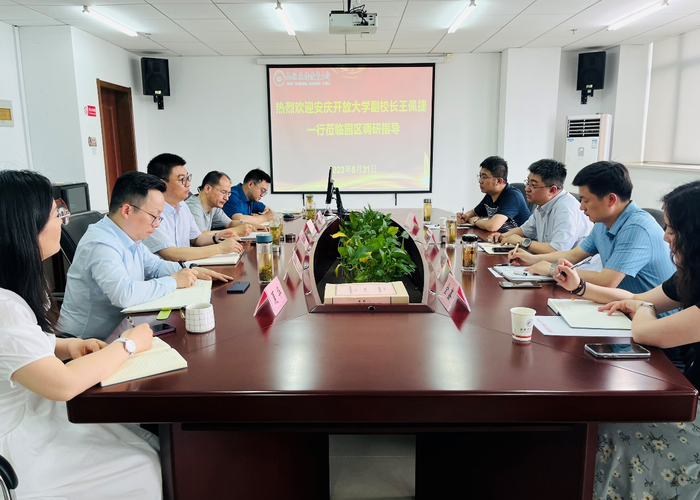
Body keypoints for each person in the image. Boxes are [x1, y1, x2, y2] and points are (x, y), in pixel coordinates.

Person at [0, 169, 162, 499]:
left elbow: (19, 344)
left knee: (144, 442)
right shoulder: (4, 304)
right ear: (24, 226)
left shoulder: (15, 289)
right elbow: (62, 384)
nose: (63, 222)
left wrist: (67, 345)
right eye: (55, 214)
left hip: (38, 410)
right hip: (22, 442)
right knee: (145, 463)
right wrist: (129, 344)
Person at [551, 180, 700, 500]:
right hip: (687, 390)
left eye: (672, 229)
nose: (665, 237)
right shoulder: (692, 272)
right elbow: (637, 298)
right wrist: (579, 287)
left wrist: (643, 309)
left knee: (600, 433)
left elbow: (646, 329)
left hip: (694, 411)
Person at [58, 172, 231, 341]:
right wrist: (173, 281)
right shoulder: (100, 242)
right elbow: (124, 294)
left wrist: (190, 269)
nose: (157, 225)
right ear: (127, 210)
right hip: (86, 342)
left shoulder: (128, 235)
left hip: (125, 328)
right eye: (154, 216)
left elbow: (155, 266)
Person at [510, 161, 675, 293]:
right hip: (621, 305)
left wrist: (553, 269)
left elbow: (608, 281)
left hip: (650, 315)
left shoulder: (637, 228)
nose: (581, 207)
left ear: (611, 199)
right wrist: (531, 259)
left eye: (586, 200)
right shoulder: (603, 223)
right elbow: (574, 255)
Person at [144, 153, 244, 262]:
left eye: (188, 178)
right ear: (162, 183)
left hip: (187, 268)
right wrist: (219, 248)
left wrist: (216, 236)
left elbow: (196, 238)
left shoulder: (182, 206)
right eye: (182, 179)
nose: (188, 184)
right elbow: (171, 254)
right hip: (169, 271)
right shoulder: (150, 212)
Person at [490, 159, 592, 254]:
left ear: (552, 190)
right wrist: (503, 236)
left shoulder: (565, 210)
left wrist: (522, 241)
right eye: (528, 183)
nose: (527, 189)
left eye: (533, 185)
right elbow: (524, 231)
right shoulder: (542, 205)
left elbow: (557, 251)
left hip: (572, 265)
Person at [456, 156, 530, 233]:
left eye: (484, 177)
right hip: (502, 238)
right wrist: (465, 216)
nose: (480, 181)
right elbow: (474, 212)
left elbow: (492, 226)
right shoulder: (490, 194)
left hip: (520, 239)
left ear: (499, 181)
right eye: (480, 176)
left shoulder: (513, 196)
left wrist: (475, 221)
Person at [185, 170, 259, 234]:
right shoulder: (193, 206)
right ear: (207, 188)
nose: (226, 198)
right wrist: (235, 230)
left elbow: (230, 223)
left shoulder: (213, 207)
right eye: (223, 192)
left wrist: (251, 226)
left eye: (228, 193)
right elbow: (200, 235)